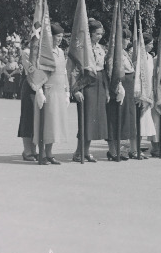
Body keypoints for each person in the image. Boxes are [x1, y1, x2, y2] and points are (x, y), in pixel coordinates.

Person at [32, 23, 70, 165]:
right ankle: (41, 153)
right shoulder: (44, 52)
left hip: (59, 91)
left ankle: (49, 153)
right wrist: (39, 91)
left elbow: (64, 72)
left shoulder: (61, 52)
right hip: (48, 91)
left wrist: (67, 91)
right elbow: (38, 72)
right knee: (45, 124)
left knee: (54, 125)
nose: (60, 39)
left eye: (61, 36)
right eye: (57, 36)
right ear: (51, 36)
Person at [72, 19, 108, 162]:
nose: (99, 36)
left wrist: (106, 90)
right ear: (90, 33)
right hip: (86, 84)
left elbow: (103, 70)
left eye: (101, 33)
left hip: (99, 83)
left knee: (93, 121)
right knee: (85, 119)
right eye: (97, 34)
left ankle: (86, 151)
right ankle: (78, 152)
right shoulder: (82, 49)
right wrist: (75, 90)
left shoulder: (101, 48)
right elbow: (75, 70)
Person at [106, 28, 136, 161]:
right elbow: (111, 71)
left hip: (128, 88)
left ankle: (122, 149)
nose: (127, 41)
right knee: (115, 118)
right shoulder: (114, 53)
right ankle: (113, 150)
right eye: (125, 38)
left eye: (129, 39)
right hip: (118, 87)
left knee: (126, 119)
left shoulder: (124, 53)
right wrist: (118, 86)